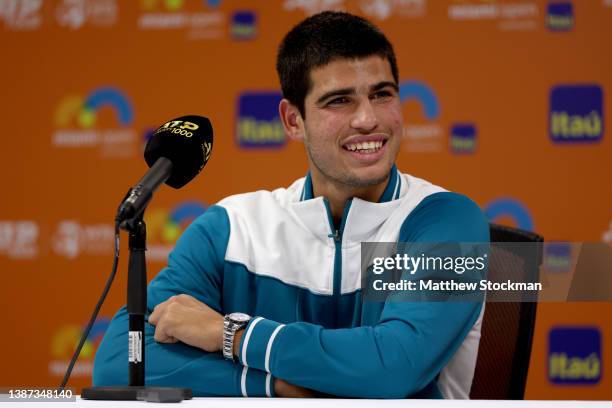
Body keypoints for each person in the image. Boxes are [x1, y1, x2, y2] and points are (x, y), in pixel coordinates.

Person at [93, 11, 489, 398]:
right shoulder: (229, 229)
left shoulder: (449, 220)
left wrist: (231, 335)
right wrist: (272, 386)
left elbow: (393, 368)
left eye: (382, 94)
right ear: (292, 120)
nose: (368, 119)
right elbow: (119, 364)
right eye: (339, 101)